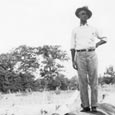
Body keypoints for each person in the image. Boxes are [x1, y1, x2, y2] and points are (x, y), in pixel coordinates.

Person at [70, 6, 107, 112]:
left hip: (91, 54)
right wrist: (73, 60)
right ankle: (85, 106)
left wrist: (97, 44)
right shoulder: (75, 30)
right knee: (82, 81)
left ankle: (94, 105)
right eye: (82, 14)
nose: (84, 15)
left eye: (86, 14)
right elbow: (72, 47)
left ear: (88, 16)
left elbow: (105, 39)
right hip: (79, 55)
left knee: (93, 80)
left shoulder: (93, 29)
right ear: (78, 16)